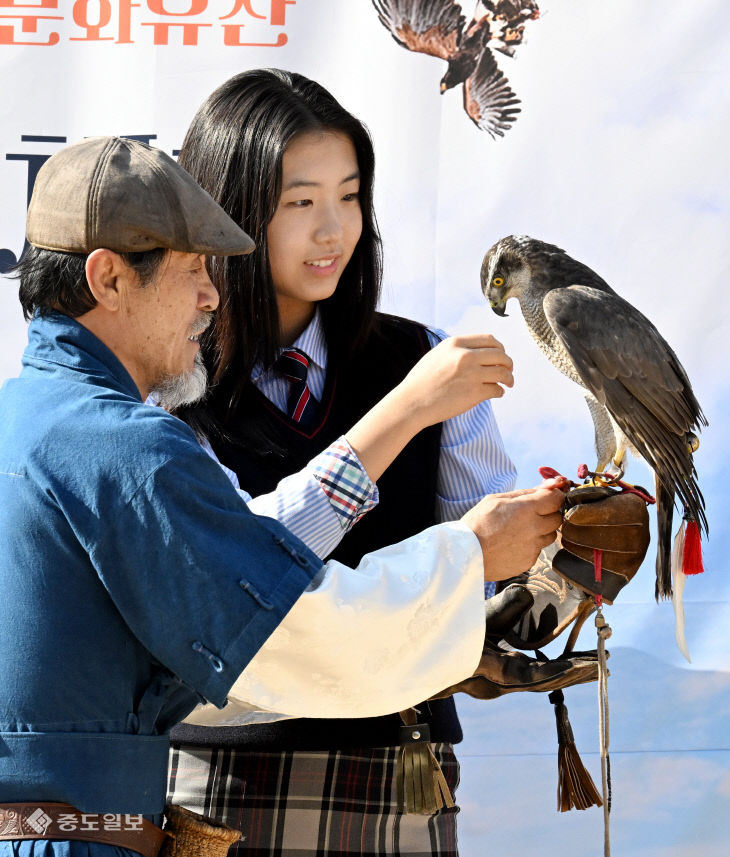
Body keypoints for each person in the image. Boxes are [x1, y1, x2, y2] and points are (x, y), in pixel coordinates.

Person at [0, 135, 567, 857]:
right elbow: (289, 630)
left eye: (350, 194)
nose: (212, 294)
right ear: (109, 279)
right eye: (195, 271)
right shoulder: (124, 446)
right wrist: (471, 555)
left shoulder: (21, 418)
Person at [164, 69, 522, 857]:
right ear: (223, 206)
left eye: (350, 196)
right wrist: (406, 411)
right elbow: (245, 578)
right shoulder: (168, 385)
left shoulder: (420, 357)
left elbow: (490, 574)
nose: (334, 229)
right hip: (216, 777)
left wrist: (550, 551)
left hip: (397, 760)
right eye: (300, 202)